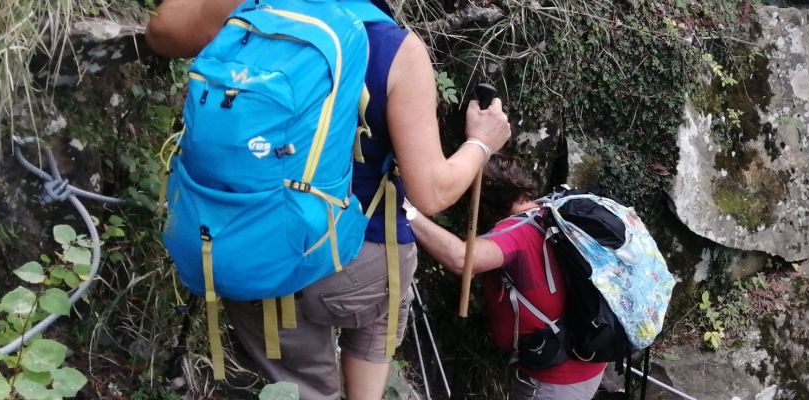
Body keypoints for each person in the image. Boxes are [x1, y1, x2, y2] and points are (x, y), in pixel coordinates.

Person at [145, 0, 512, 398]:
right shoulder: (397, 49)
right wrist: (481, 142)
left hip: (252, 247)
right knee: (389, 283)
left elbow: (159, 30)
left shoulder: (252, 9)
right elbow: (433, 191)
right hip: (359, 268)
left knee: (299, 388)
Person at [404, 155, 607, 400]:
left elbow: (461, 259)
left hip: (555, 378)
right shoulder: (550, 211)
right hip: (588, 358)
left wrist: (406, 211)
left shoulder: (514, 235)